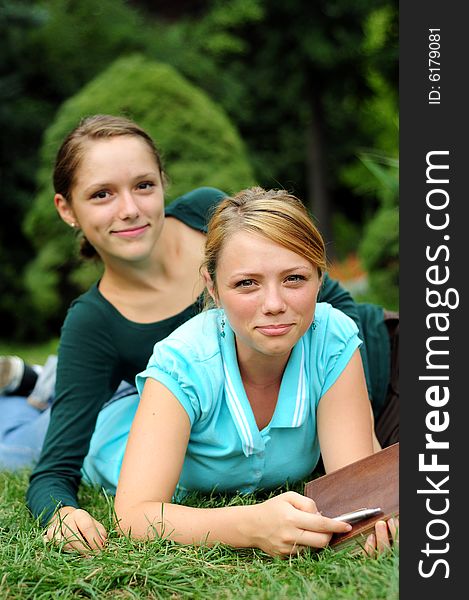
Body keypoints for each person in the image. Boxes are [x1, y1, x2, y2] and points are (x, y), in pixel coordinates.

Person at [0, 114, 392, 554]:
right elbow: (84, 483)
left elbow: (319, 301)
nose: (129, 208)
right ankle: (29, 384)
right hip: (130, 414)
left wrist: (370, 477)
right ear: (66, 209)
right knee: (20, 439)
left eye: (144, 185)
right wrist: (59, 511)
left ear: (164, 183)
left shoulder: (220, 225)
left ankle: (36, 379)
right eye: (102, 193)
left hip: (216, 398)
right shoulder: (110, 329)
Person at [83, 186, 398, 557]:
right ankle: (35, 383)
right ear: (212, 287)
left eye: (294, 278)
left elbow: (355, 490)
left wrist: (375, 526)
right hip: (118, 425)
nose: (274, 304)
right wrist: (250, 526)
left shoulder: (333, 338)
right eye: (247, 283)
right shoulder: (182, 361)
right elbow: (133, 515)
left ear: (319, 278)